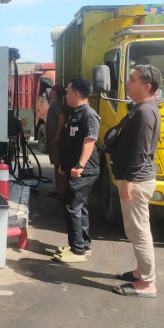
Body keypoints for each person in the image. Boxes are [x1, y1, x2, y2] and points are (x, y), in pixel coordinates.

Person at [112, 65, 162, 298]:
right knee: (136, 230)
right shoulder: (143, 108)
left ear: (147, 86)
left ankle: (147, 282)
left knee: (139, 232)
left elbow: (140, 152)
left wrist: (128, 181)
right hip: (137, 179)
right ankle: (140, 272)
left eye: (132, 79)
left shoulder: (144, 113)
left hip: (137, 181)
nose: (127, 82)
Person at [52, 78, 100, 263]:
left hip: (84, 170)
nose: (67, 94)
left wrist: (79, 165)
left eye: (69, 91)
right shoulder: (74, 113)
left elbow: (90, 141)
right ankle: (84, 246)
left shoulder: (89, 114)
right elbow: (71, 142)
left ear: (77, 94)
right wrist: (65, 164)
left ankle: (77, 250)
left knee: (72, 207)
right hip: (74, 167)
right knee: (81, 207)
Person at [45, 84, 67, 199]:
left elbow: (62, 118)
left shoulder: (56, 104)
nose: (49, 92)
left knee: (59, 166)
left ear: (54, 92)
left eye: (51, 90)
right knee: (56, 165)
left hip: (55, 140)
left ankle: (62, 191)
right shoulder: (54, 104)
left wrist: (57, 135)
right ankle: (58, 190)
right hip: (52, 139)